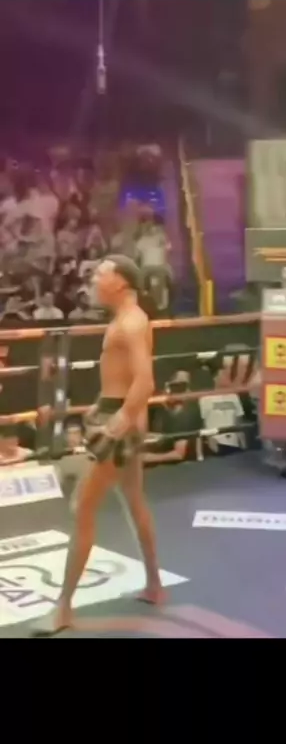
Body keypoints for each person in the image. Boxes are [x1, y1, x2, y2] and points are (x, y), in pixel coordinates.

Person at [32, 255, 163, 636]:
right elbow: (124, 380)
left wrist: (117, 424)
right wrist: (105, 408)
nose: (93, 280)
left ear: (120, 281)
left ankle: (63, 608)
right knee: (134, 499)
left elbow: (145, 382)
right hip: (118, 412)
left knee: (82, 506)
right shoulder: (127, 318)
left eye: (101, 274)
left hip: (120, 419)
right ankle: (154, 585)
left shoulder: (132, 322)